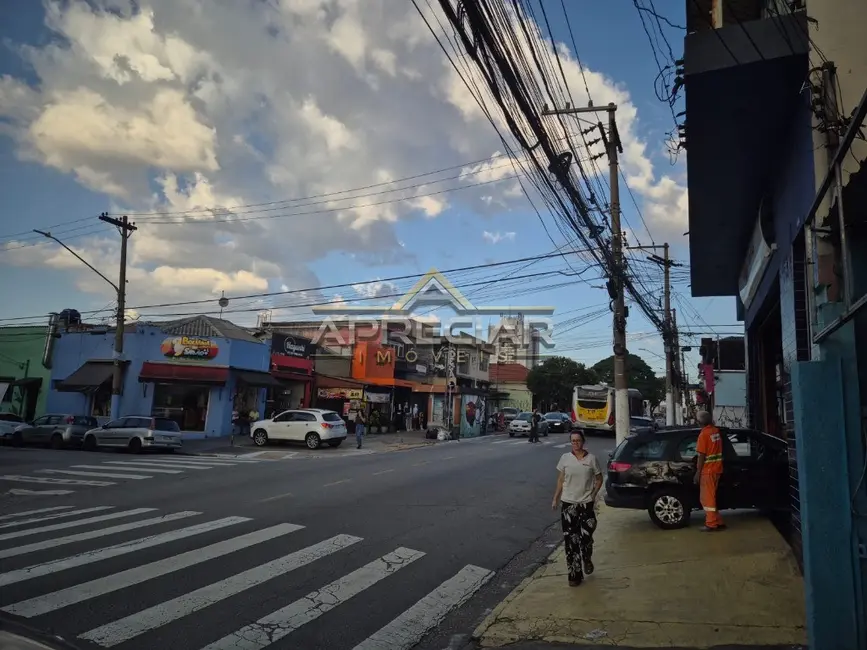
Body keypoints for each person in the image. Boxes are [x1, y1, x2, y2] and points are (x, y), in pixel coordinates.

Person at [552, 430, 603, 586]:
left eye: (578, 440)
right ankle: (574, 575)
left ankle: (586, 557)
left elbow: (599, 479)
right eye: (573, 441)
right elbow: (561, 479)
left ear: (583, 441)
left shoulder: (591, 459)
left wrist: (593, 494)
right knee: (571, 541)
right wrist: (555, 498)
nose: (575, 443)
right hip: (568, 504)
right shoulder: (565, 459)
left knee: (586, 537)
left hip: (585, 504)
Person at [695, 410, 726, 531]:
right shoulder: (715, 431)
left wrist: (698, 472)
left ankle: (711, 523)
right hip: (717, 469)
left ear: (699, 422)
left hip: (708, 471)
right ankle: (718, 521)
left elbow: (701, 455)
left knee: (707, 499)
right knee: (711, 497)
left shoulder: (704, 435)